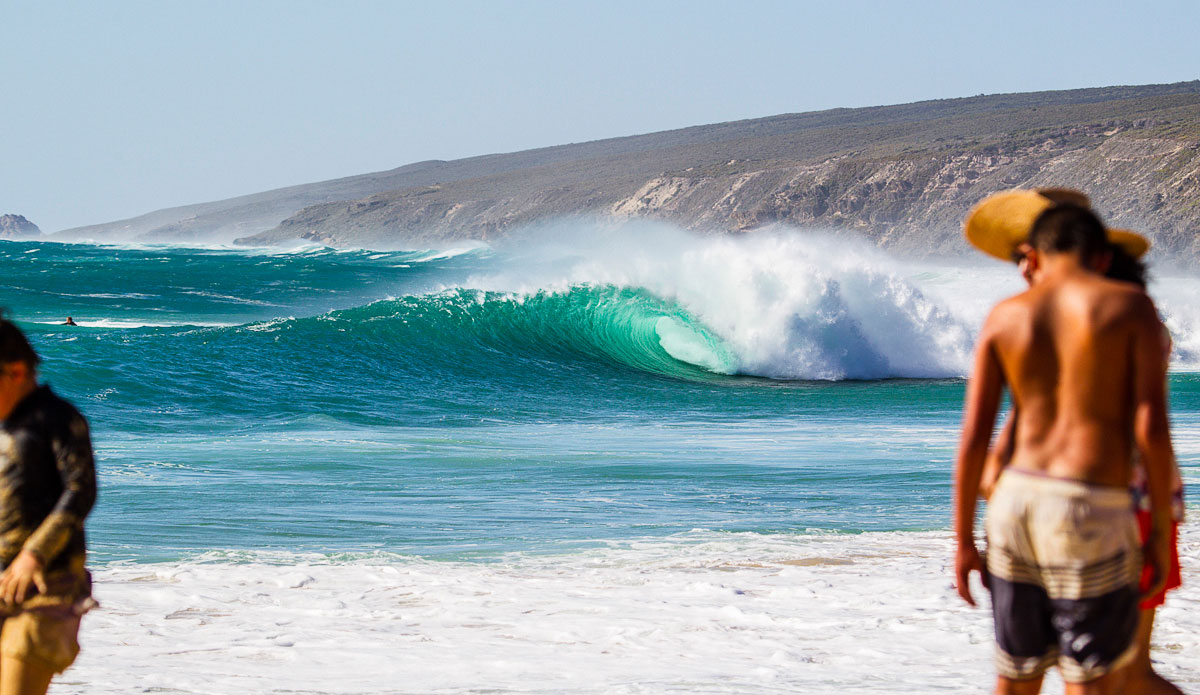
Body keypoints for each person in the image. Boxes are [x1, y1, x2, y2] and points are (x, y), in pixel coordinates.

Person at [953, 191, 1176, 694]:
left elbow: (972, 440)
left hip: (1013, 505)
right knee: (1090, 681)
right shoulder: (1127, 306)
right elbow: (1151, 430)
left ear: (1031, 256)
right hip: (1088, 506)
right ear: (1101, 258)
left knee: (1015, 678)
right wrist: (1159, 534)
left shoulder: (1004, 315)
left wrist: (964, 541)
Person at [0, 316, 97, 694]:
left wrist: (34, 555)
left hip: (46, 581)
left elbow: (81, 490)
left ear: (17, 371)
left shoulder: (58, 419)